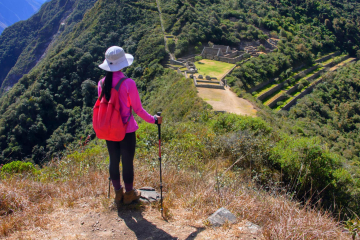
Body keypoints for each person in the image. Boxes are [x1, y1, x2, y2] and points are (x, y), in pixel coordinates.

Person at [97, 46, 162, 205]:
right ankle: (129, 193)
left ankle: (118, 194)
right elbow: (138, 109)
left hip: (109, 130)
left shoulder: (101, 83)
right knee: (127, 162)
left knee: (113, 160)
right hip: (126, 130)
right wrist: (154, 119)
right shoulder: (128, 83)